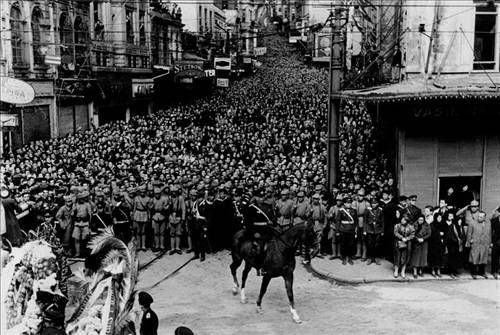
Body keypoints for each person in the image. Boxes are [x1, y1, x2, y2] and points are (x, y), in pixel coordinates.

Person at [466, 211, 492, 279]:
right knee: (474, 258)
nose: (479, 218)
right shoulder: (472, 223)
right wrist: (469, 242)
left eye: (481, 217)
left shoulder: (488, 223)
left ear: (484, 217)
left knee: (483, 258)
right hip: (475, 243)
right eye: (478, 216)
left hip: (484, 243)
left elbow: (489, 234)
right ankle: (474, 273)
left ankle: (482, 272)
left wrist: (489, 242)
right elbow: (469, 233)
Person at [336, 197, 357, 265]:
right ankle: (344, 258)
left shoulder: (354, 210)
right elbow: (338, 221)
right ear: (344, 203)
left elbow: (355, 221)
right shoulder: (341, 210)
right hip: (343, 230)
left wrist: (355, 230)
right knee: (343, 244)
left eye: (350, 203)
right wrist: (337, 231)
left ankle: (350, 258)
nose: (349, 204)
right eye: (347, 203)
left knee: (351, 244)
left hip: (351, 230)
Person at [364, 198, 384, 265]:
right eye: (372, 203)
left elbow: (382, 221)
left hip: (378, 230)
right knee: (370, 244)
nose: (373, 205)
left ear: (377, 204)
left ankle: (376, 258)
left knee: (377, 244)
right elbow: (365, 221)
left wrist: (382, 230)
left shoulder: (380, 210)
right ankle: (370, 258)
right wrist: (365, 230)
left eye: (375, 203)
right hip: (369, 229)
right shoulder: (367, 210)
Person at [72, 191, 92, 257]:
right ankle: (77, 253)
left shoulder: (87, 204)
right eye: (79, 198)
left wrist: (89, 224)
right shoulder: (75, 205)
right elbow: (72, 214)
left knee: (85, 239)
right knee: (76, 238)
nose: (81, 199)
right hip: (77, 223)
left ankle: (84, 252)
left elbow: (90, 215)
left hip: (85, 223)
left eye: (82, 198)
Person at [442, 212, 462, 278]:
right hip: (447, 242)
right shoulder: (443, 223)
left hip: (454, 242)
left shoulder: (454, 223)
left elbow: (458, 232)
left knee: (455, 257)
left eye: (452, 215)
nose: (451, 216)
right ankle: (450, 271)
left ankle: (454, 271)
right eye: (449, 215)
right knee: (449, 257)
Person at [352, 189, 370, 260]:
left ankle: (364, 254)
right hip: (356, 221)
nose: (360, 197)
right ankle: (358, 253)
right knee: (358, 238)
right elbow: (353, 212)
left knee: (364, 239)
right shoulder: (354, 203)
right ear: (357, 195)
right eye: (359, 195)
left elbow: (369, 214)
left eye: (362, 195)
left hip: (364, 222)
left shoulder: (367, 203)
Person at [151, 187, 170, 251]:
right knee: (156, 233)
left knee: (162, 232)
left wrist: (166, 207)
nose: (157, 195)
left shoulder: (164, 199)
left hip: (162, 216)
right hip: (155, 216)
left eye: (158, 193)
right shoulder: (152, 199)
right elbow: (150, 208)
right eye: (156, 194)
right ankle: (157, 245)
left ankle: (162, 245)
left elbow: (166, 208)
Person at [133, 185, 151, 251]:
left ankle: (143, 245)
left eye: (144, 192)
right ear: (139, 192)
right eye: (141, 192)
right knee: (138, 231)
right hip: (138, 213)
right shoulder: (136, 198)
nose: (142, 193)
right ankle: (138, 246)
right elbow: (134, 207)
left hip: (144, 213)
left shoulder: (148, 198)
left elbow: (148, 209)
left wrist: (149, 216)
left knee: (143, 231)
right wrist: (134, 215)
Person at [169, 185, 185, 255]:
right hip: (171, 217)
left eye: (175, 192)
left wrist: (183, 218)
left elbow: (183, 209)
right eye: (172, 192)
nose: (174, 193)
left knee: (178, 233)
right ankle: (172, 248)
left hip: (178, 217)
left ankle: (177, 247)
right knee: (172, 233)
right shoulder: (169, 198)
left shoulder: (180, 198)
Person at [328, 194, 343, 260]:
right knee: (333, 240)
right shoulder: (333, 208)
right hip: (334, 225)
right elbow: (328, 216)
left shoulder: (343, 208)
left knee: (339, 240)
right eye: (337, 200)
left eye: (340, 201)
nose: (338, 202)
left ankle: (339, 254)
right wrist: (331, 215)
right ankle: (334, 254)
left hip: (341, 226)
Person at [491, 206, 500, 279]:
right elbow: (490, 232)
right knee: (495, 257)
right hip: (496, 241)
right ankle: (494, 271)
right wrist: (491, 242)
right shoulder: (494, 220)